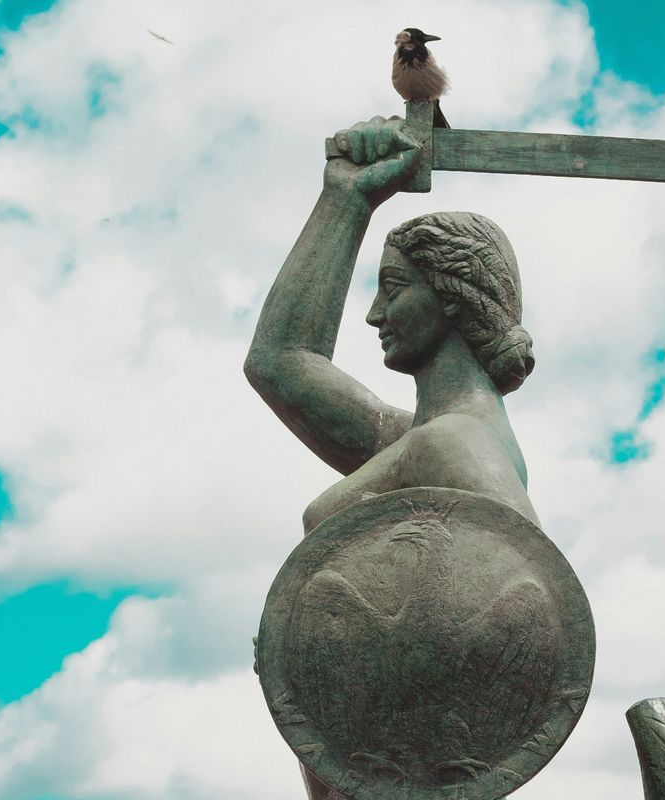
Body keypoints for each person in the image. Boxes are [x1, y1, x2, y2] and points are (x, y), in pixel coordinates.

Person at [243, 116, 539, 800]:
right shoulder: (417, 441)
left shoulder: (453, 446)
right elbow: (281, 362)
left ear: (453, 295)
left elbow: (520, 639)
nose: (374, 314)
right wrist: (345, 200)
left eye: (394, 287)